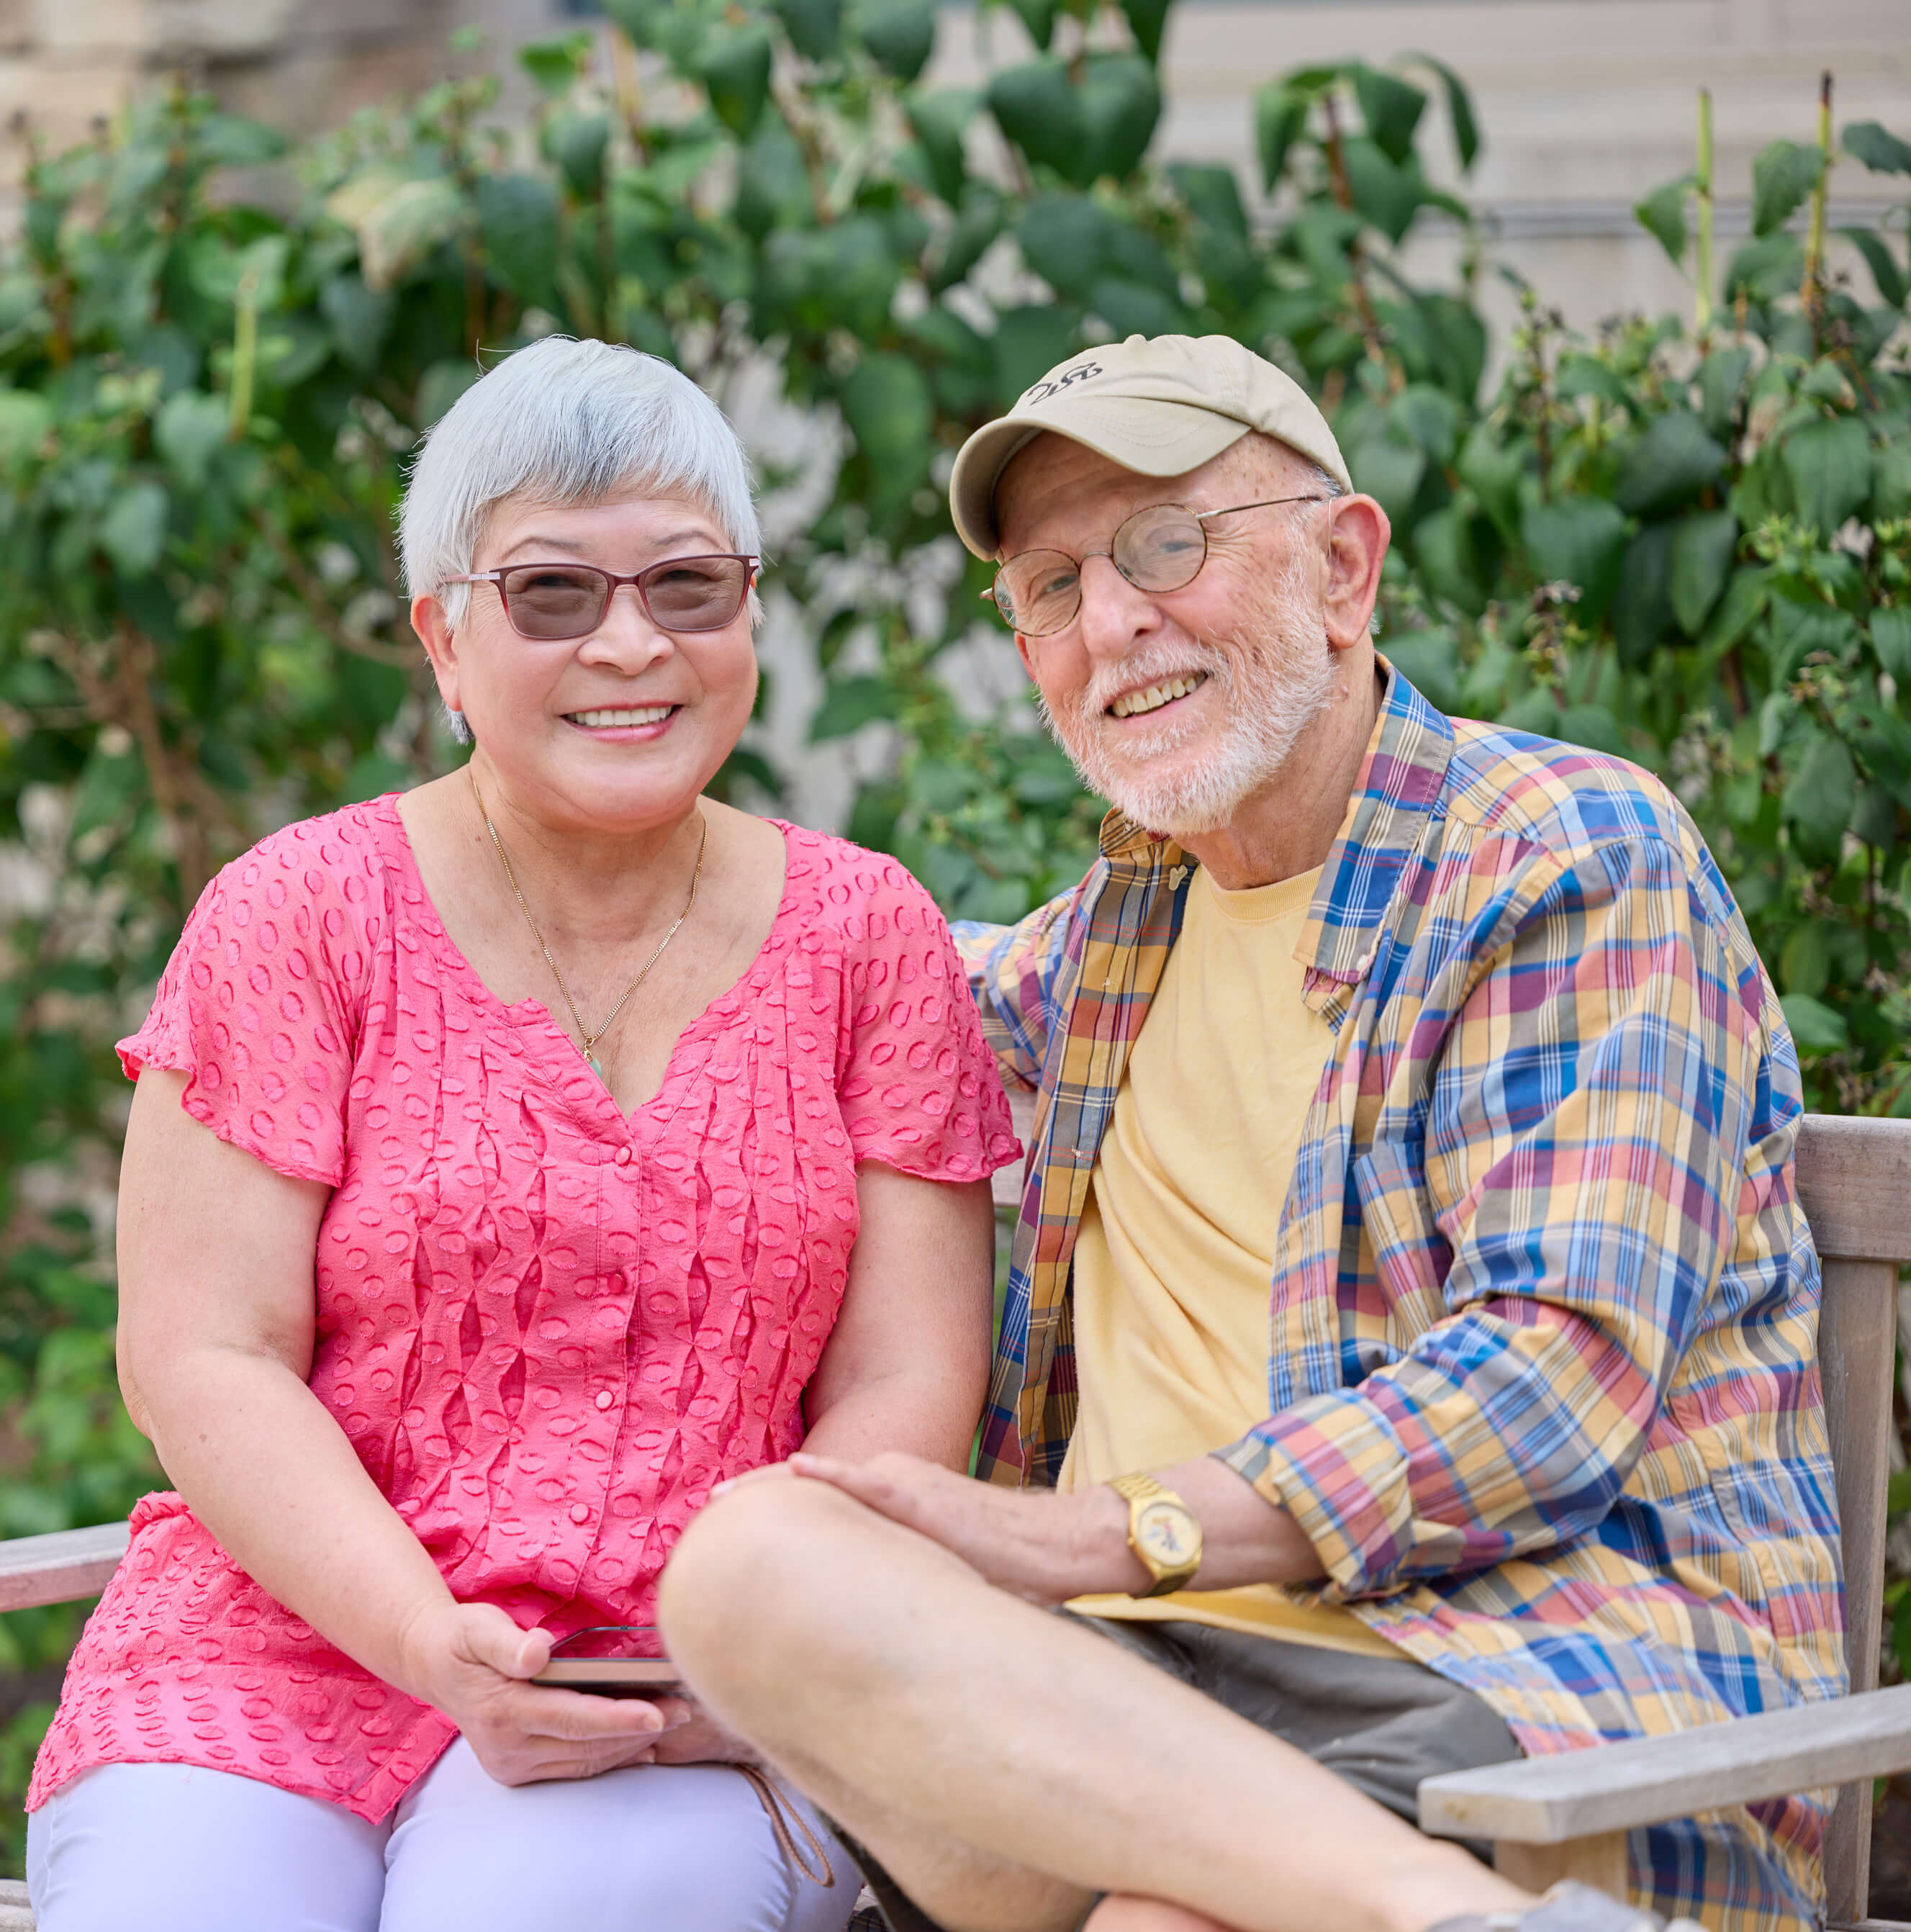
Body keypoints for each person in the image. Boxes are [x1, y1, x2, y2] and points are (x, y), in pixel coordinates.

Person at [656, 334, 1842, 1932]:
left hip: (1521, 1703)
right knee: (750, 1569)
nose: (1112, 621)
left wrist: (1102, 1533)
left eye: (1163, 543)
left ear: (1343, 566)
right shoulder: (1105, 944)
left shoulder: (1558, 858)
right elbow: (799, 992)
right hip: (1133, 1711)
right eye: (1051, 586)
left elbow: (1548, 1377)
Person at [23, 335, 1026, 1932]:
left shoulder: (862, 936)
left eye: (686, 586)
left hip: (684, 1691)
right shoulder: (297, 917)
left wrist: (758, 1651)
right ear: (440, 636)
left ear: (747, 607)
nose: (629, 644)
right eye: (551, 594)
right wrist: (429, 1641)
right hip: (279, 1645)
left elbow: (906, 1381)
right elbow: (202, 1356)